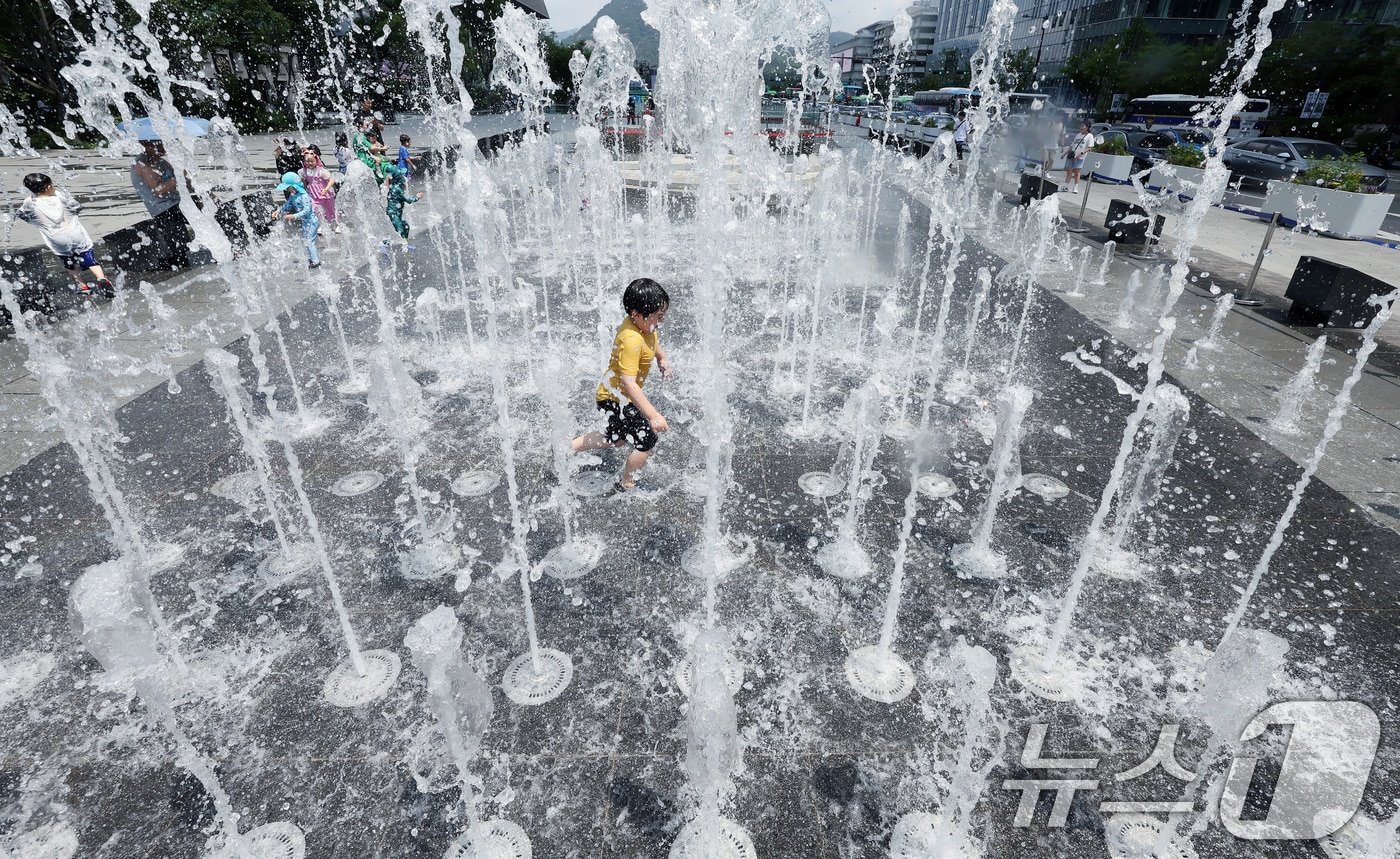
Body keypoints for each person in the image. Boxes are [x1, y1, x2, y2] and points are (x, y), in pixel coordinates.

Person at [570, 278, 675, 494]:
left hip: (614, 396)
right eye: (657, 317)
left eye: (662, 316)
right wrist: (653, 415)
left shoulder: (644, 327)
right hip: (616, 398)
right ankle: (627, 484)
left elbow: (653, 339)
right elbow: (628, 383)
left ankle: (569, 447)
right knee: (646, 439)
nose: (659, 322)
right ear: (636, 314)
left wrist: (661, 359)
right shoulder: (631, 340)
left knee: (614, 438)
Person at [16, 172, 115, 297]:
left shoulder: (29, 202)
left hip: (57, 239)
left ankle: (81, 285)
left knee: (68, 262)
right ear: (48, 188)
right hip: (76, 234)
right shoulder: (59, 196)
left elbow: (22, 215)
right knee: (89, 259)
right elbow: (76, 207)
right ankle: (101, 278)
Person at [130, 139, 193, 269]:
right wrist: (178, 177)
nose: (161, 147)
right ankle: (167, 263)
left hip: (175, 205)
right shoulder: (143, 164)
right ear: (146, 145)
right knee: (180, 255)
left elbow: (187, 183)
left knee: (212, 213)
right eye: (156, 144)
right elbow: (159, 189)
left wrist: (206, 194)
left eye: (162, 143)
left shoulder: (162, 162)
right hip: (164, 210)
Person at [269, 172, 321, 269]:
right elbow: (286, 205)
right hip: (306, 221)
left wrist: (294, 216)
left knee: (309, 240)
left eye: (288, 187)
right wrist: (278, 211)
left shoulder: (304, 196)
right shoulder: (293, 196)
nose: (286, 190)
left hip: (312, 220)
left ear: (294, 186)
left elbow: (307, 210)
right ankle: (312, 257)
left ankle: (315, 261)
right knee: (306, 239)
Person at [300, 144, 340, 232]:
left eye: (312, 161)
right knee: (315, 210)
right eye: (307, 161)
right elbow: (305, 182)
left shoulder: (321, 171)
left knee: (330, 210)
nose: (310, 163)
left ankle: (336, 224)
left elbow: (331, 180)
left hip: (325, 194)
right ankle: (321, 225)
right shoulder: (304, 171)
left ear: (316, 160)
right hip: (313, 194)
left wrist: (326, 189)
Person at [381, 164, 421, 250]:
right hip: (393, 212)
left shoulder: (397, 187)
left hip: (397, 212)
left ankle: (405, 245)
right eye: (401, 175)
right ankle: (384, 245)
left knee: (405, 226)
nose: (403, 176)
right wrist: (417, 197)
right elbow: (408, 200)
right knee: (399, 230)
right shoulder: (397, 188)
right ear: (397, 177)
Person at [1063, 122, 1095, 193]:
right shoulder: (1078, 135)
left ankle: (1075, 187)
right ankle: (1066, 186)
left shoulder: (1089, 136)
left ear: (1087, 127)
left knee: (1077, 172)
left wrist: (1081, 153)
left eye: (1083, 126)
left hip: (1080, 157)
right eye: (1080, 126)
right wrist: (1065, 154)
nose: (1081, 127)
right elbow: (1072, 145)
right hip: (1072, 155)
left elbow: (1090, 147)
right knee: (1069, 171)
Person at [352, 118, 386, 184]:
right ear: (361, 126)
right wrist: (382, 149)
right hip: (363, 157)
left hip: (367, 154)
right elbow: (371, 146)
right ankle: (377, 174)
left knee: (379, 159)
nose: (367, 125)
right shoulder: (359, 136)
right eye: (366, 125)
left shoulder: (362, 134)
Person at [1041, 113, 1064, 177]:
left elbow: (1062, 136)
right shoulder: (1050, 124)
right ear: (1056, 116)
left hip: (1054, 146)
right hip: (1046, 145)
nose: (1059, 117)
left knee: (1052, 160)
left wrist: (1062, 145)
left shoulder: (1062, 125)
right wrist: (1040, 142)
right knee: (1044, 160)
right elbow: (1043, 134)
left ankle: (1047, 172)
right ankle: (1042, 170)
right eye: (1058, 116)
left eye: (1061, 116)